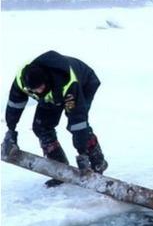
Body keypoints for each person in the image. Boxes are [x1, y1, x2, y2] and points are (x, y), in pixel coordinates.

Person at [2, 50, 108, 187]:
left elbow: (78, 121)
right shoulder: (22, 80)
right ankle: (59, 168)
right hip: (53, 93)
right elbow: (14, 104)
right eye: (33, 91)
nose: (36, 92)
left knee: (77, 126)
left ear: (45, 81)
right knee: (41, 126)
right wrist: (11, 130)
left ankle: (98, 162)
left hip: (84, 84)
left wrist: (82, 154)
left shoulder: (67, 83)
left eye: (39, 88)